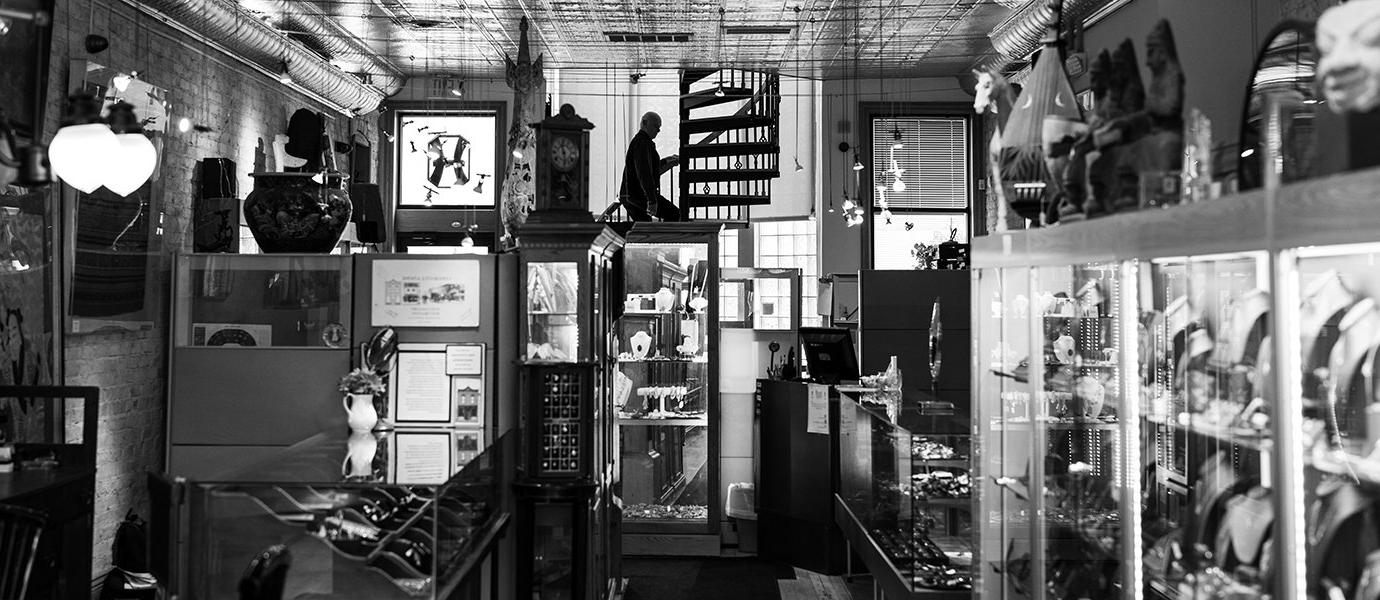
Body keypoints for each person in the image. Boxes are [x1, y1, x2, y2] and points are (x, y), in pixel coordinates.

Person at [619, 112, 681, 221]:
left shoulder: (639, 142)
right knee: (675, 214)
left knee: (644, 228)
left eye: (659, 127)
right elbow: (644, 173)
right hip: (639, 194)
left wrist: (668, 160)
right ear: (644, 123)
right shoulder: (643, 143)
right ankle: (666, 238)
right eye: (656, 126)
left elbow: (648, 168)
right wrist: (651, 199)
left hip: (629, 195)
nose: (658, 130)